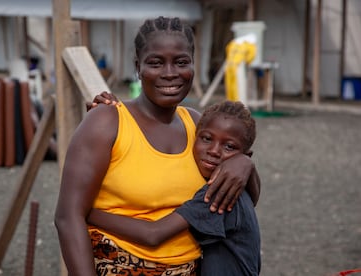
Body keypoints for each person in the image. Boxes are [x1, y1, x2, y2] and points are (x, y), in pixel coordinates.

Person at [54, 16, 260, 276]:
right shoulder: (107, 122)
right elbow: (68, 217)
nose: (170, 73)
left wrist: (245, 165)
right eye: (156, 63)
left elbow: (240, 200)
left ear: (193, 66)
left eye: (181, 62)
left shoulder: (198, 126)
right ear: (138, 67)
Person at [88, 101, 261, 275]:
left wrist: (88, 213)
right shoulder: (238, 183)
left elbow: (153, 234)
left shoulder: (217, 193)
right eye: (207, 139)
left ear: (245, 156)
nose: (214, 151)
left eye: (229, 147)